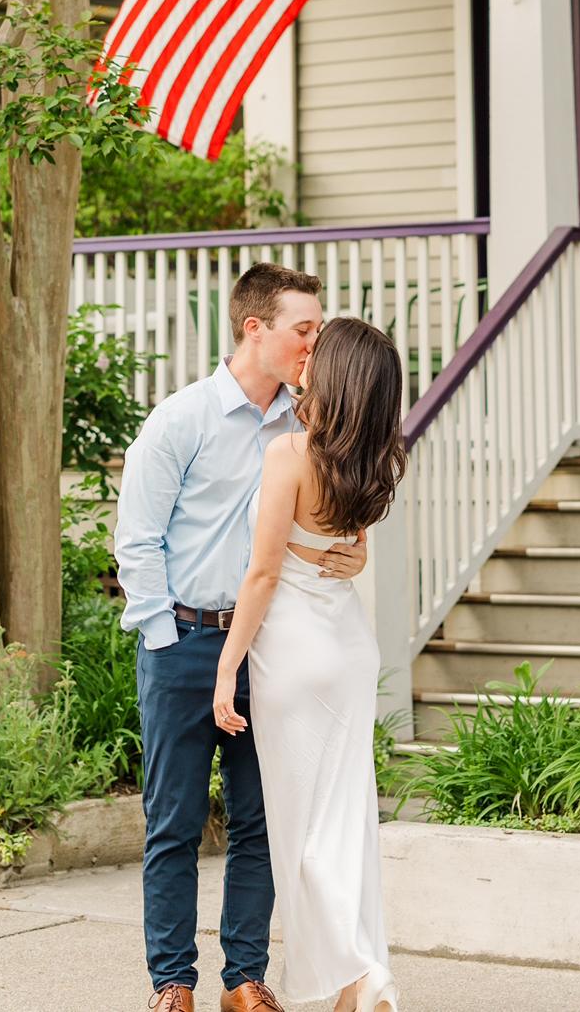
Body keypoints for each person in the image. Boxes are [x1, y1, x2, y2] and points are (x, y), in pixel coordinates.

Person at [115, 264, 369, 1012]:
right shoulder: (180, 420)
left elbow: (338, 520)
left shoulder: (310, 426)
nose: (314, 344)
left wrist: (352, 555)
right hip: (185, 642)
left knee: (261, 820)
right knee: (174, 822)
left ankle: (245, 980)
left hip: (274, 646)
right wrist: (165, 640)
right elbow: (137, 542)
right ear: (255, 329)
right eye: (303, 330)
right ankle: (172, 983)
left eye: (318, 330)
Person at [212, 316, 406, 1012]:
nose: (307, 358)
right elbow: (349, 551)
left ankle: (362, 973)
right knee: (348, 825)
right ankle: (358, 989)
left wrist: (227, 666)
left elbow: (264, 573)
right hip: (348, 647)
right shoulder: (371, 462)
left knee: (304, 835)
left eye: (318, 353)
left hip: (293, 656)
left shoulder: (289, 453)